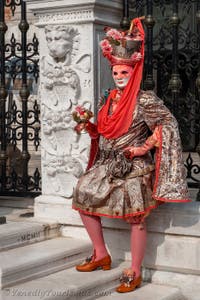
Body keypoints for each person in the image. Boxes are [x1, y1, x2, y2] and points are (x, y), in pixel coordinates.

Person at [72, 17, 190, 293]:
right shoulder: (108, 98)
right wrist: (88, 126)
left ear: (133, 72)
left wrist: (144, 147)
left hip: (135, 165)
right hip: (108, 163)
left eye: (124, 73)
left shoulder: (145, 99)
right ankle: (101, 253)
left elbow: (167, 124)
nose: (120, 78)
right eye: (116, 74)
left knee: (135, 213)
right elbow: (104, 131)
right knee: (82, 192)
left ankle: (135, 270)